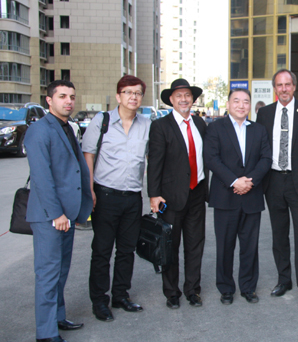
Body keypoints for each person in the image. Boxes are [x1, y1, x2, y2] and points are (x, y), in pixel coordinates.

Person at [25, 80, 93, 342]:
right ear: (49, 100)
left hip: (67, 214)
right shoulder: (39, 130)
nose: (69, 101)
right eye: (62, 96)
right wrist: (56, 214)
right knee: (48, 274)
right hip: (50, 216)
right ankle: (46, 333)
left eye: (72, 97)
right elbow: (41, 177)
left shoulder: (67, 127)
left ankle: (57, 317)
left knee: (61, 271)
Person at [82, 75, 150, 321]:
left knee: (126, 250)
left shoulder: (147, 124)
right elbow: (88, 156)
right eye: (128, 92)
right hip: (105, 196)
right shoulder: (102, 121)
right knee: (102, 250)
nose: (133, 97)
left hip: (132, 198)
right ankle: (99, 301)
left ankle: (120, 295)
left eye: (138, 93)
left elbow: (153, 159)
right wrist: (89, 190)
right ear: (118, 96)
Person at [255, 69, 298, 305]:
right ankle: (284, 280)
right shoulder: (264, 113)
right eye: (279, 85)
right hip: (273, 181)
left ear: (294, 86)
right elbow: (259, 148)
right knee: (279, 234)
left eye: (287, 84)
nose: (283, 89)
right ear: (275, 88)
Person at [204, 88, 272, 304]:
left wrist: (249, 181)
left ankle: (248, 287)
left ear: (250, 105)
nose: (241, 105)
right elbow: (211, 158)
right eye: (236, 101)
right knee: (225, 246)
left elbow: (266, 159)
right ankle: (225, 288)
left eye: (245, 101)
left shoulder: (259, 130)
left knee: (250, 246)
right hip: (225, 196)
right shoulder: (215, 128)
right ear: (228, 104)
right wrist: (234, 181)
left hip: (251, 196)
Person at [147, 79, 208, 309]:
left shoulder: (200, 124)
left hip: (197, 194)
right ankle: (172, 292)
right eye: (179, 95)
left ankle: (193, 290)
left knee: (195, 245)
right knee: (170, 247)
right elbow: (155, 163)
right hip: (170, 198)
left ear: (193, 99)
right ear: (171, 100)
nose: (184, 99)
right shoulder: (160, 126)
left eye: (187, 95)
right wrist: (154, 194)